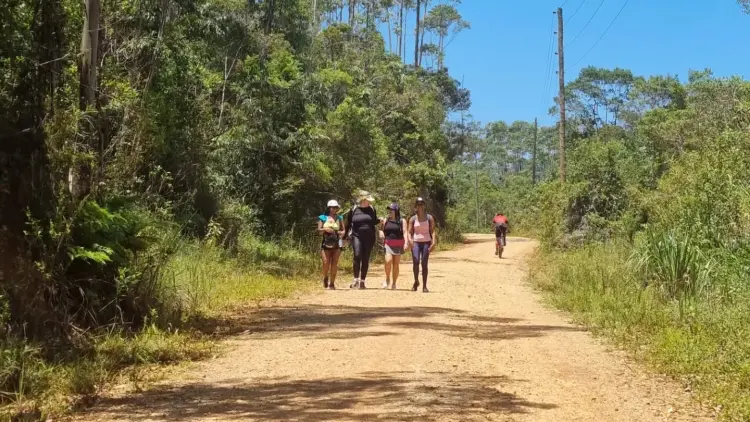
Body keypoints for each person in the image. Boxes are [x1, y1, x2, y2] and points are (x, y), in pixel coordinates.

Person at [344, 191, 379, 289]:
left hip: (369, 237)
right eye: (368, 200)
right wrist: (345, 237)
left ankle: (362, 281)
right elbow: (348, 223)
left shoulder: (372, 209)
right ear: (363, 200)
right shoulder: (354, 209)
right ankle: (355, 280)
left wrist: (380, 220)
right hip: (356, 236)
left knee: (365, 258)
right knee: (357, 255)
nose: (369, 202)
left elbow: (374, 221)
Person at [408, 197, 436, 293]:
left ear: (424, 206)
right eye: (418, 204)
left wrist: (433, 242)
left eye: (421, 204)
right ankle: (416, 281)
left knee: (424, 263)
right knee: (416, 261)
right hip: (416, 241)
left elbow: (432, 231)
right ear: (415, 206)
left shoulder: (429, 218)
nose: (420, 206)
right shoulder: (413, 219)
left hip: (426, 242)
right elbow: (409, 231)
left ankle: (424, 285)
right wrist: (410, 240)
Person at [379, 203, 408, 290]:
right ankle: (387, 278)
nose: (390, 212)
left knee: (396, 265)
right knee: (388, 261)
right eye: (389, 210)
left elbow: (405, 232)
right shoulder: (386, 220)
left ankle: (394, 283)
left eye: (392, 210)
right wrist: (381, 232)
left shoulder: (402, 221)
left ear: (396, 211)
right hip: (388, 243)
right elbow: (381, 229)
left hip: (398, 244)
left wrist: (406, 243)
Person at [318, 200, 345, 289]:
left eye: (336, 208)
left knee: (335, 263)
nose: (334, 209)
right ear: (329, 208)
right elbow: (319, 230)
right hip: (326, 242)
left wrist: (340, 233)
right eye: (333, 207)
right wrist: (325, 229)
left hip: (337, 242)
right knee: (326, 262)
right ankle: (325, 277)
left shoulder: (340, 218)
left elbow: (343, 230)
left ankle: (332, 283)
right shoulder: (323, 217)